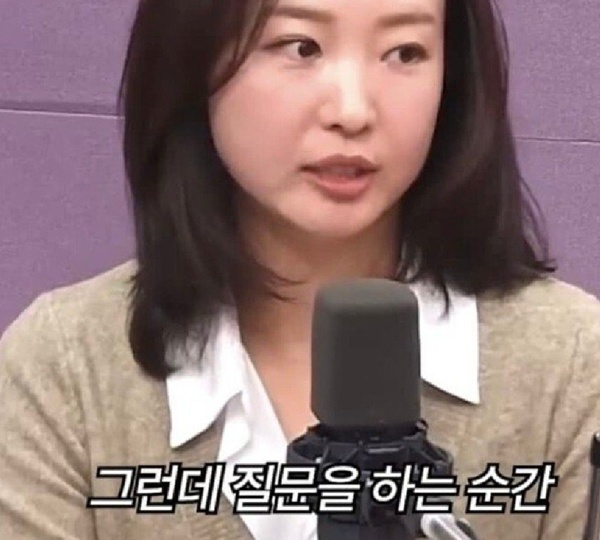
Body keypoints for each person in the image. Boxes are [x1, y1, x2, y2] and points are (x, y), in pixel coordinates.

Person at [0, 0, 599, 538]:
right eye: (301, 46)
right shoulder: (64, 370)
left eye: (405, 52)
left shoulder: (572, 363)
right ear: (194, 57)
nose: (352, 111)